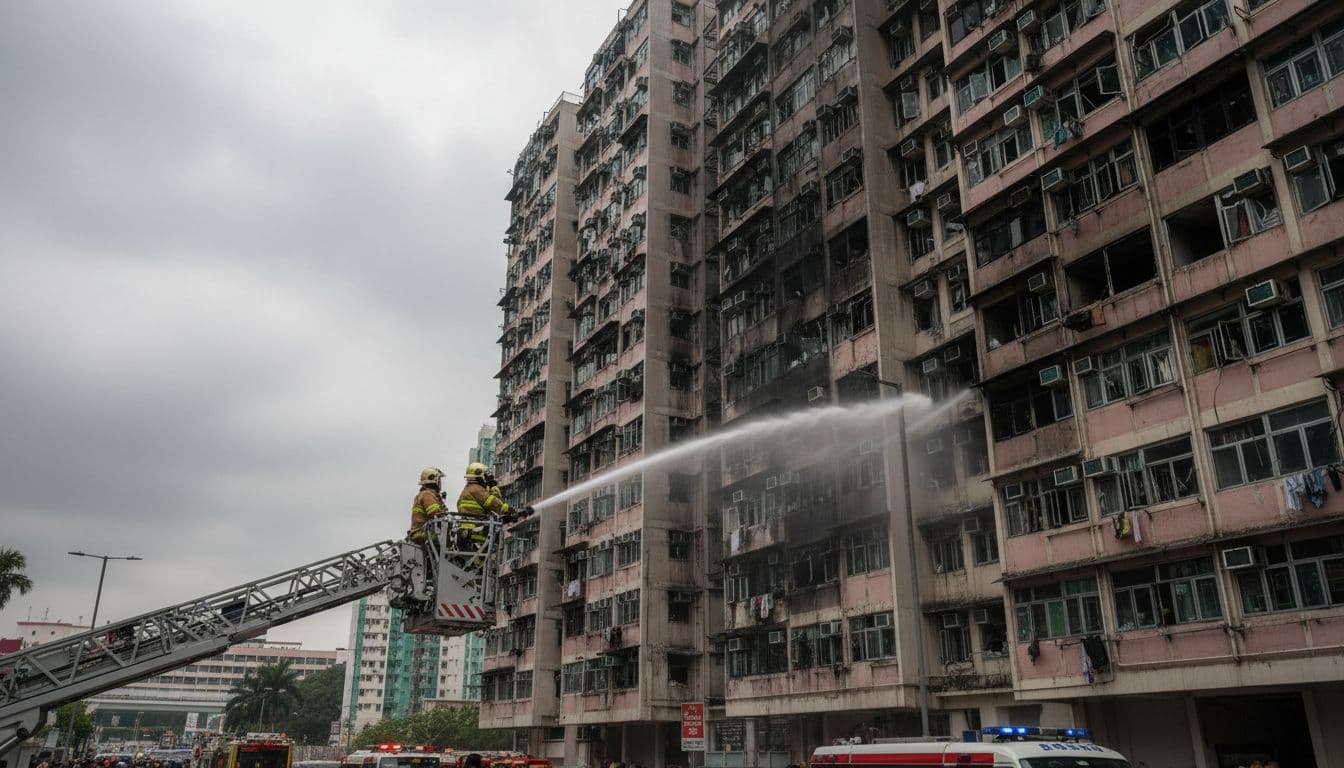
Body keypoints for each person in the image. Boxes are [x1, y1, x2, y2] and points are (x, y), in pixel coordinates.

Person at [408, 467, 449, 543]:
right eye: (439, 479)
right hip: (421, 533)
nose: (440, 483)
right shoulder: (427, 495)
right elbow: (435, 513)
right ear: (434, 480)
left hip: (422, 531)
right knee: (445, 542)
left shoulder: (428, 494)